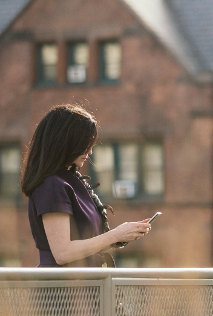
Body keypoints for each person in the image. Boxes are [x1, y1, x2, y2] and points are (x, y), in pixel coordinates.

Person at [21, 104, 151, 267]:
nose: (89, 152)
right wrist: (115, 235)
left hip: (86, 287)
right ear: (66, 142)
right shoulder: (52, 185)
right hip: (61, 290)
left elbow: (84, 244)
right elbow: (63, 253)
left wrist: (124, 234)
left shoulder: (71, 180)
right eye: (85, 144)